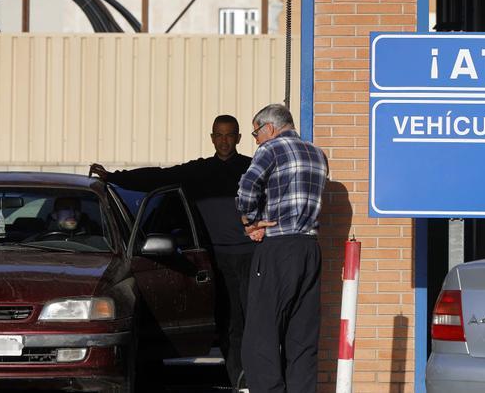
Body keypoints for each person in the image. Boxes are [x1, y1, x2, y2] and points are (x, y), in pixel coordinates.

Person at [90, 114, 254, 388]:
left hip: (251, 254)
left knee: (252, 319)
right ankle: (239, 379)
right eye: (219, 135)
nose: (224, 141)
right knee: (228, 322)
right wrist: (115, 177)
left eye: (230, 135)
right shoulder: (199, 171)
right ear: (212, 138)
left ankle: (255, 376)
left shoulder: (252, 168)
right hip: (215, 259)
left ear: (238, 138)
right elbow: (159, 176)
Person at [237, 104, 328, 393]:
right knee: (302, 335)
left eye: (256, 132)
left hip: (278, 249)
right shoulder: (317, 154)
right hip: (309, 249)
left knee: (261, 334)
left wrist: (249, 219)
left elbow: (247, 187)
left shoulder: (271, 149)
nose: (256, 140)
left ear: (270, 128)